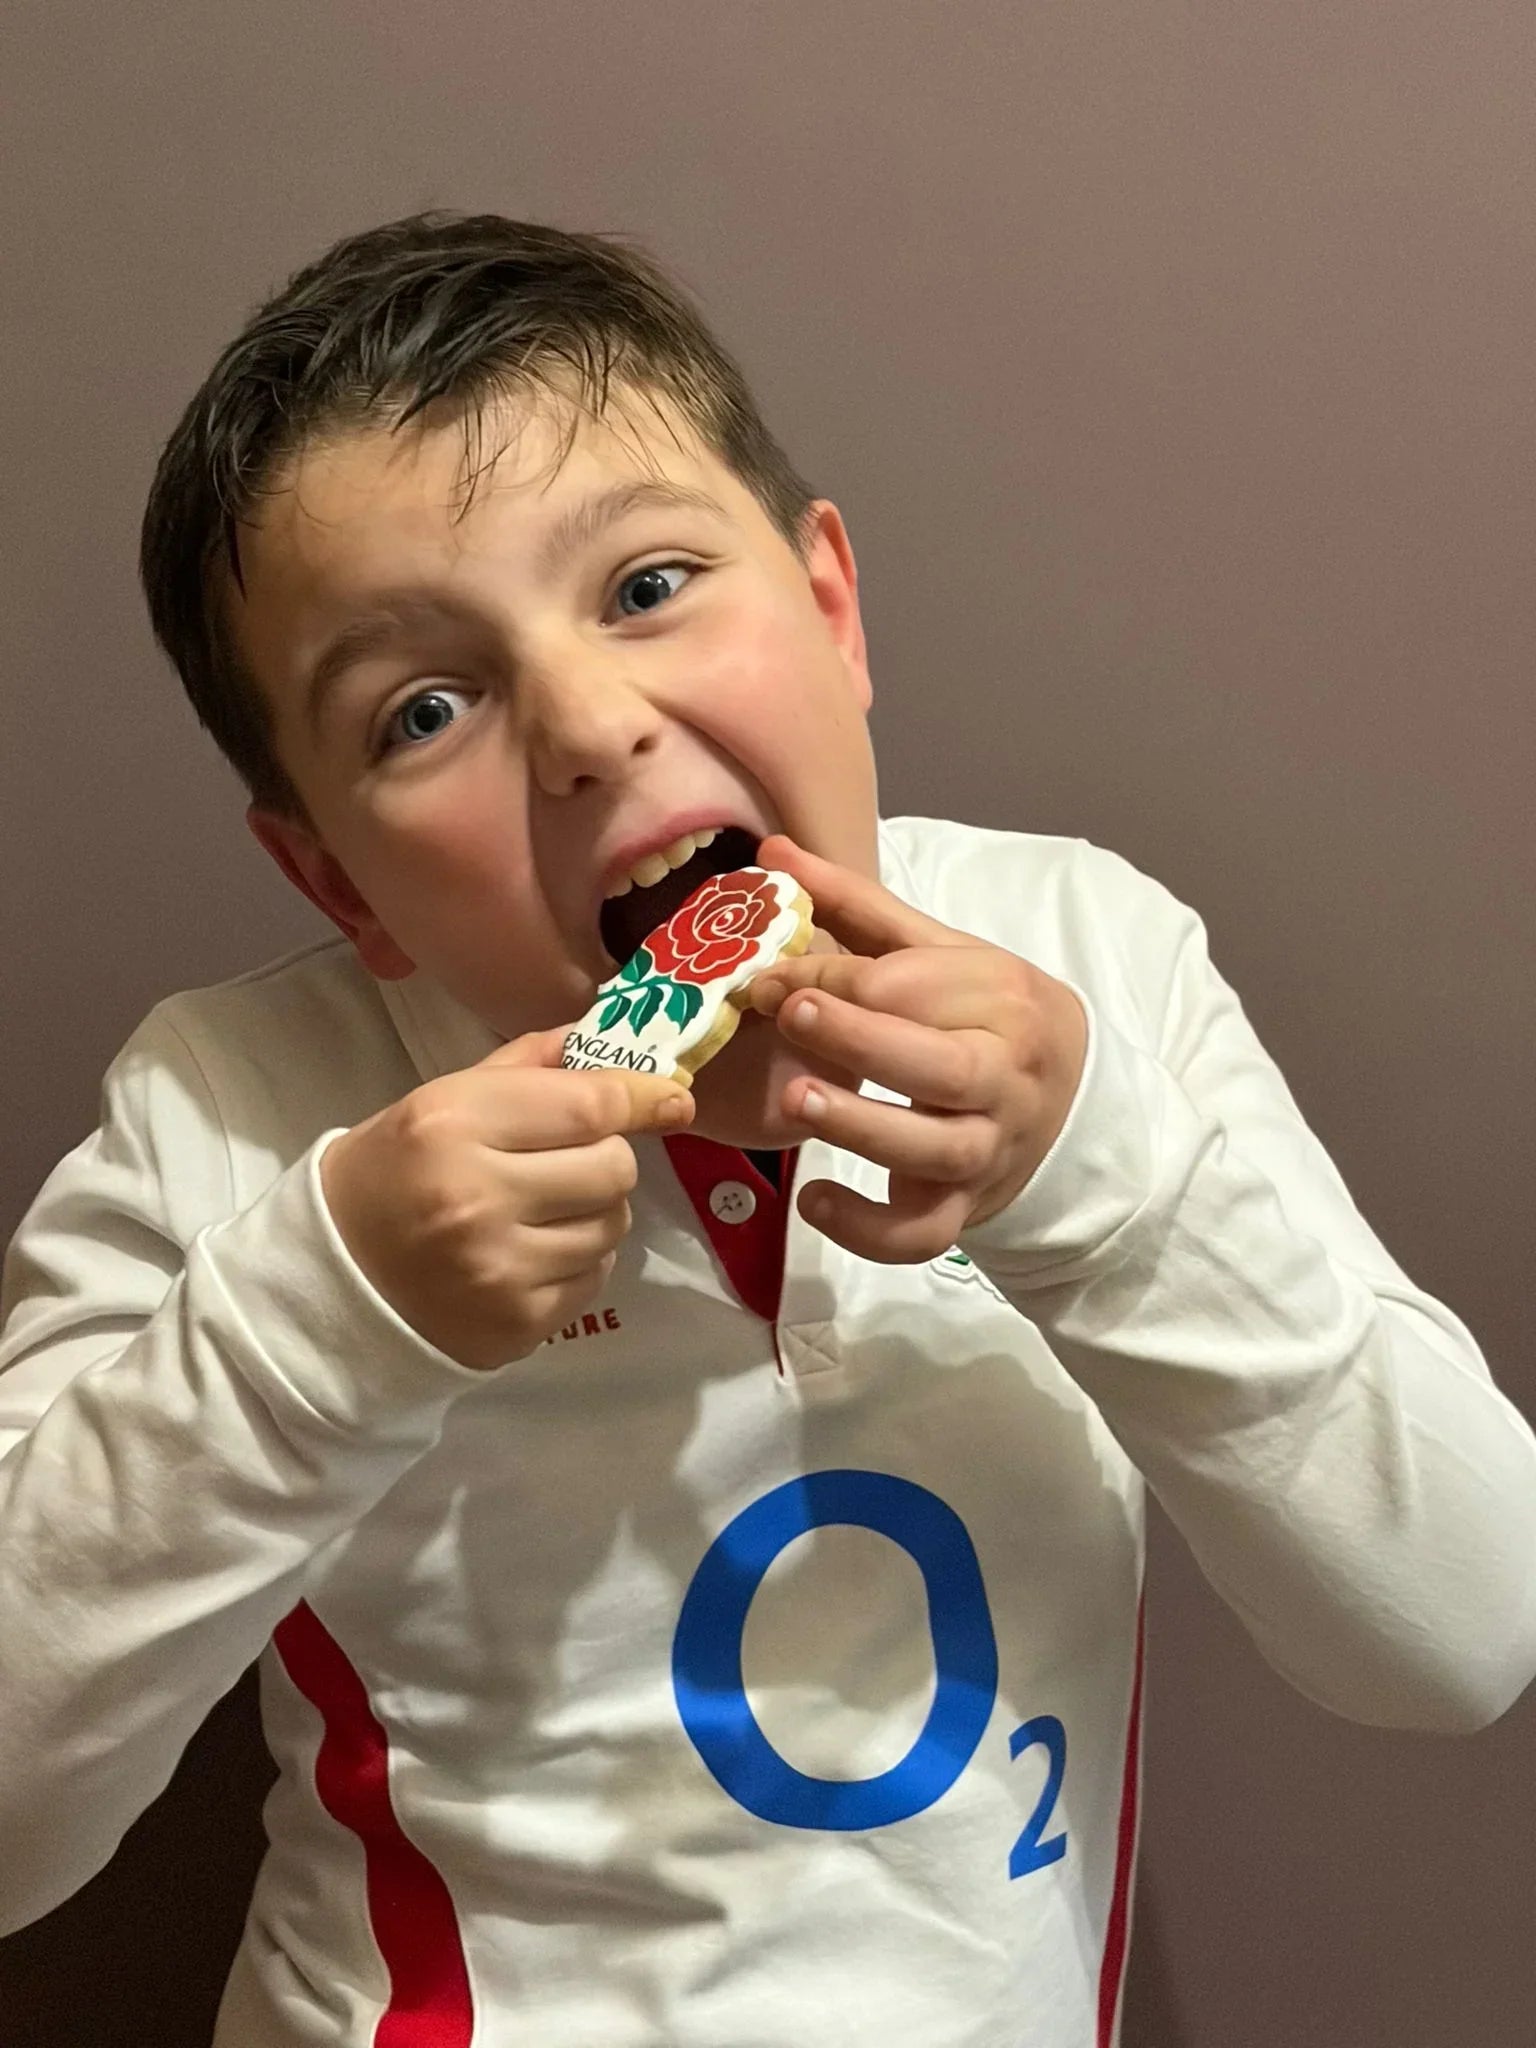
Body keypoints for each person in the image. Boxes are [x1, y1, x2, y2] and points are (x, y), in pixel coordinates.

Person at [2, 211, 1532, 2048]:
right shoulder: (224, 1110)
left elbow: (1464, 1632)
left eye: (646, 587)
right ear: (342, 881)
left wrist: (1107, 1189)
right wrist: (321, 1319)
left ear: (831, 609)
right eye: (425, 707)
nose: (587, 724)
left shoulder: (1090, 958)